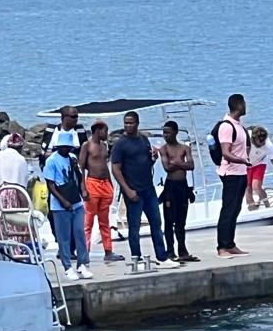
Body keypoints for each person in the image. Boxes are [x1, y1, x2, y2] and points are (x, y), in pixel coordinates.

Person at [110, 111, 180, 268]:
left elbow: (147, 163)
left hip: (148, 189)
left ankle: (162, 257)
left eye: (131, 123)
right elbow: (115, 169)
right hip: (133, 191)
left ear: (137, 123)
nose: (128, 126)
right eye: (126, 123)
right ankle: (137, 258)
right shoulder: (120, 144)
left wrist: (154, 158)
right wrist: (127, 190)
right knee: (134, 227)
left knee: (156, 223)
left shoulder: (143, 140)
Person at [43, 132, 92, 280]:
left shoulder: (73, 159)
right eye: (63, 147)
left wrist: (83, 190)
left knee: (79, 232)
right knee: (63, 237)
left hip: (76, 201)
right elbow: (50, 184)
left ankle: (82, 263)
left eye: (68, 147)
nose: (66, 149)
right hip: (60, 205)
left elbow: (79, 176)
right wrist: (63, 201)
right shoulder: (51, 161)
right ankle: (67, 266)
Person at [79, 121, 124, 262]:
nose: (107, 134)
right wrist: (83, 188)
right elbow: (81, 168)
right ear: (98, 130)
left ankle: (108, 251)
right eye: (105, 131)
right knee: (88, 221)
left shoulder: (104, 146)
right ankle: (85, 252)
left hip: (105, 184)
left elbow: (105, 166)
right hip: (92, 184)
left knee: (104, 221)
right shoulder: (87, 146)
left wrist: (110, 185)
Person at [214, 94, 250, 257]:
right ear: (239, 105)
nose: (246, 106)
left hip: (241, 172)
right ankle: (222, 246)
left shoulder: (239, 126)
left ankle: (230, 243)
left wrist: (245, 161)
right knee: (228, 209)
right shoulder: (227, 126)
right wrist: (242, 160)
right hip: (231, 173)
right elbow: (226, 153)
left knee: (235, 209)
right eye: (244, 103)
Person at [158, 121, 197, 262]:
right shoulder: (163, 149)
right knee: (169, 221)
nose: (165, 135)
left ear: (175, 132)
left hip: (182, 186)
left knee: (181, 221)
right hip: (170, 187)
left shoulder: (185, 148)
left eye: (168, 132)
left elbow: (191, 165)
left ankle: (182, 250)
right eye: (164, 133)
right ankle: (170, 251)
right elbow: (167, 167)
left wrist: (177, 163)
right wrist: (182, 164)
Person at [40, 106, 89, 170]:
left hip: (73, 172)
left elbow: (85, 153)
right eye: (73, 117)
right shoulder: (51, 131)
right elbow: (43, 151)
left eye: (77, 116)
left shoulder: (80, 132)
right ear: (64, 117)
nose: (76, 119)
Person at [246, 126, 273, 210]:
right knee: (247, 186)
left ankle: (267, 206)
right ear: (252, 139)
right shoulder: (245, 137)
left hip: (260, 162)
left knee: (256, 186)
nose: (259, 146)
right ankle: (252, 207)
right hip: (246, 163)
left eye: (261, 144)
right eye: (257, 144)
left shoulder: (268, 146)